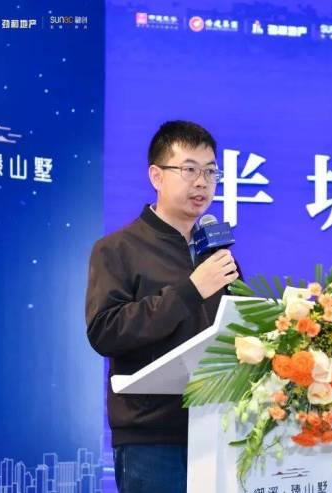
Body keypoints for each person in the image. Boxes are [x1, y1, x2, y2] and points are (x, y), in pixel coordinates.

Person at [85, 120, 240, 493]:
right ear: (156, 176)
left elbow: (236, 328)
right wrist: (189, 291)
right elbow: (105, 331)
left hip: (218, 427)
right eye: (189, 170)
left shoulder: (215, 253)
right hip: (151, 437)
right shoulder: (117, 249)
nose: (202, 182)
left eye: (210, 172)